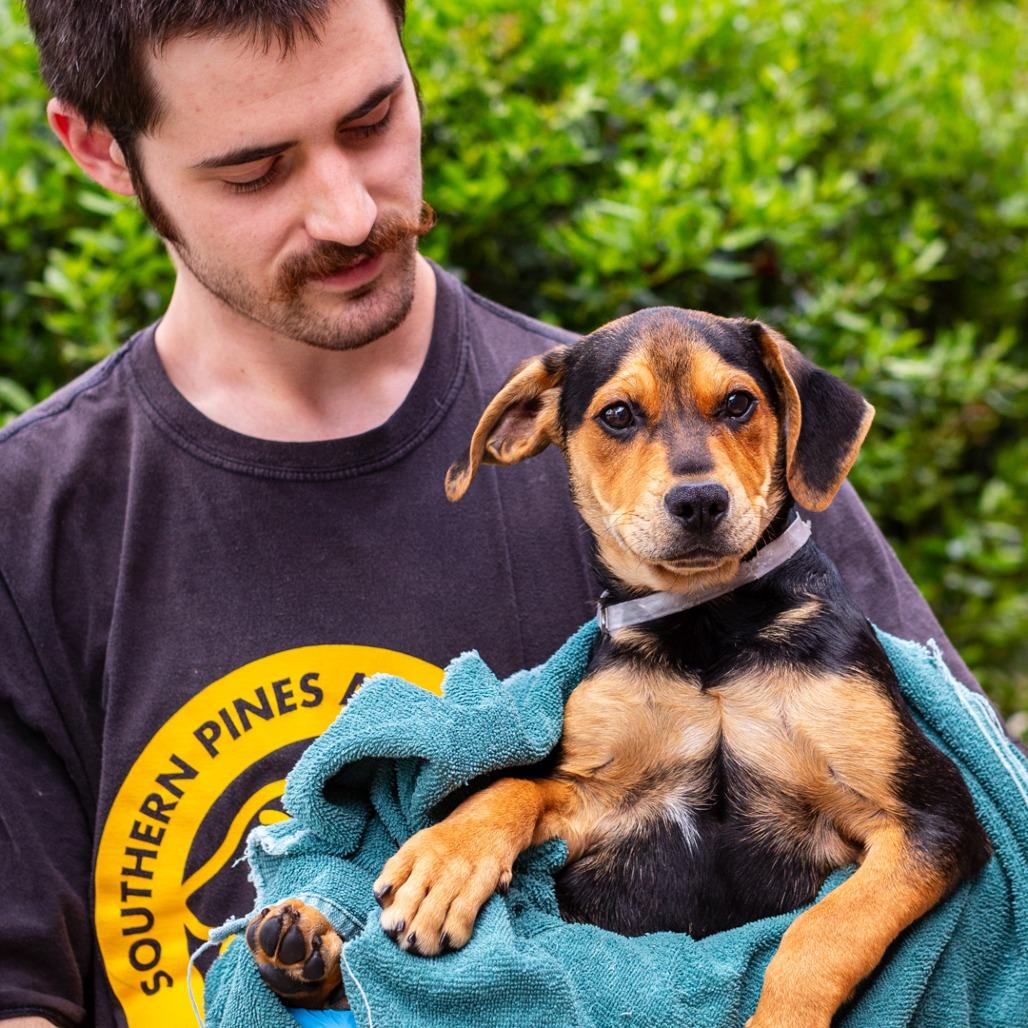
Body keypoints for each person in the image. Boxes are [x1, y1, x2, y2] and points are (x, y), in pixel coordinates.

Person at [0, 1, 997, 1025]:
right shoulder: (25, 526)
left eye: (371, 118)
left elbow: (965, 866)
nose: (348, 212)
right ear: (100, 148)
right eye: (253, 170)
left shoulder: (727, 481)